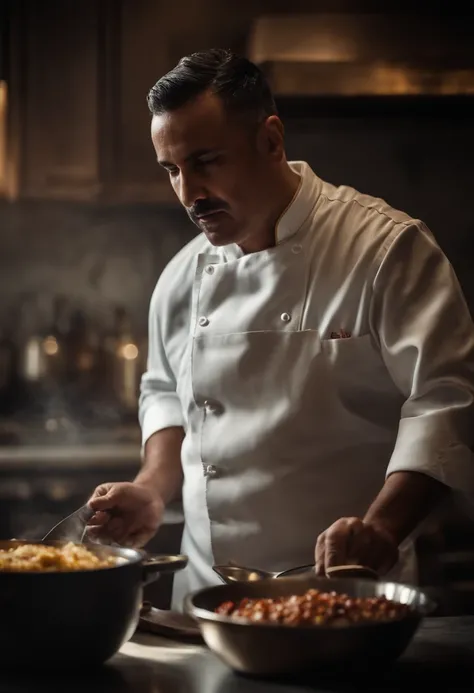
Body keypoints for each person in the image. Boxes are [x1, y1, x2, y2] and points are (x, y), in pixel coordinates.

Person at [87, 48, 474, 609]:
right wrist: (152, 488)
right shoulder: (180, 276)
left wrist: (383, 530)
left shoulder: (386, 249)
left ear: (271, 140)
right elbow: (166, 393)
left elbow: (446, 403)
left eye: (207, 160)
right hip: (207, 605)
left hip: (350, 596)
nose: (189, 193)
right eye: (172, 169)